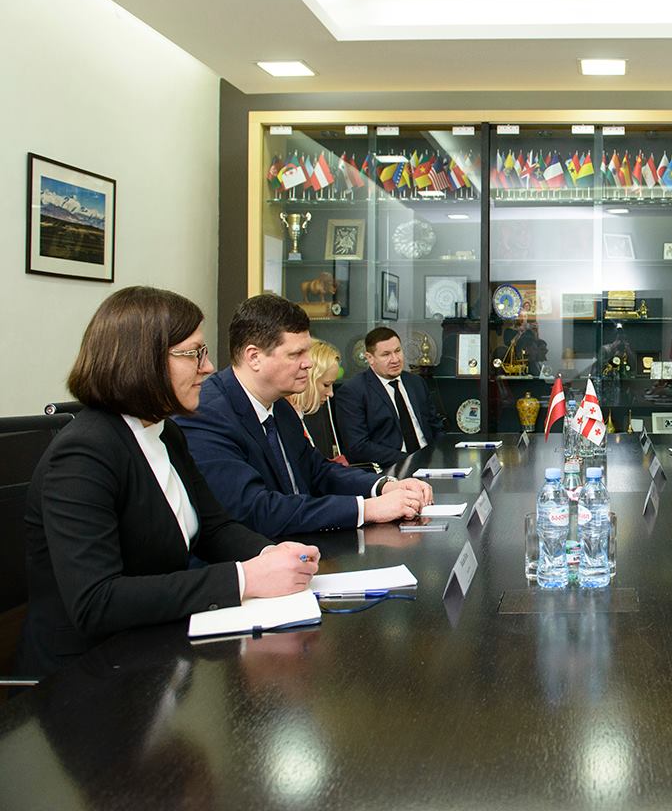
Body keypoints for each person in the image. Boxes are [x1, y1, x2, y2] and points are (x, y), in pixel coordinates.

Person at [18, 287, 318, 677]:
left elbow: (215, 528)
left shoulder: (166, 433)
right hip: (87, 677)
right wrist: (244, 578)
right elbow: (97, 602)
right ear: (143, 360)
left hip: (156, 655)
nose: (208, 367)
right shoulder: (84, 454)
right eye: (194, 354)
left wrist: (272, 555)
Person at [177, 294, 431, 538]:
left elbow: (318, 471)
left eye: (307, 352)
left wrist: (385, 485)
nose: (308, 363)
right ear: (254, 357)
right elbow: (256, 510)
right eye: (296, 354)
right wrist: (367, 509)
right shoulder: (206, 414)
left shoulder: (280, 406)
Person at [333, 326, 444, 467]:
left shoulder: (416, 383)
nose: (395, 359)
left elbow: (435, 427)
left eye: (398, 351)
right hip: (389, 467)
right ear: (370, 358)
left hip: (430, 463)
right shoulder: (353, 392)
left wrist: (443, 454)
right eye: (386, 355)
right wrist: (410, 460)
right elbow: (358, 447)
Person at [287, 339, 349, 465]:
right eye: (326, 385)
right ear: (308, 378)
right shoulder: (284, 419)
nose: (331, 393)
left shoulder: (297, 414)